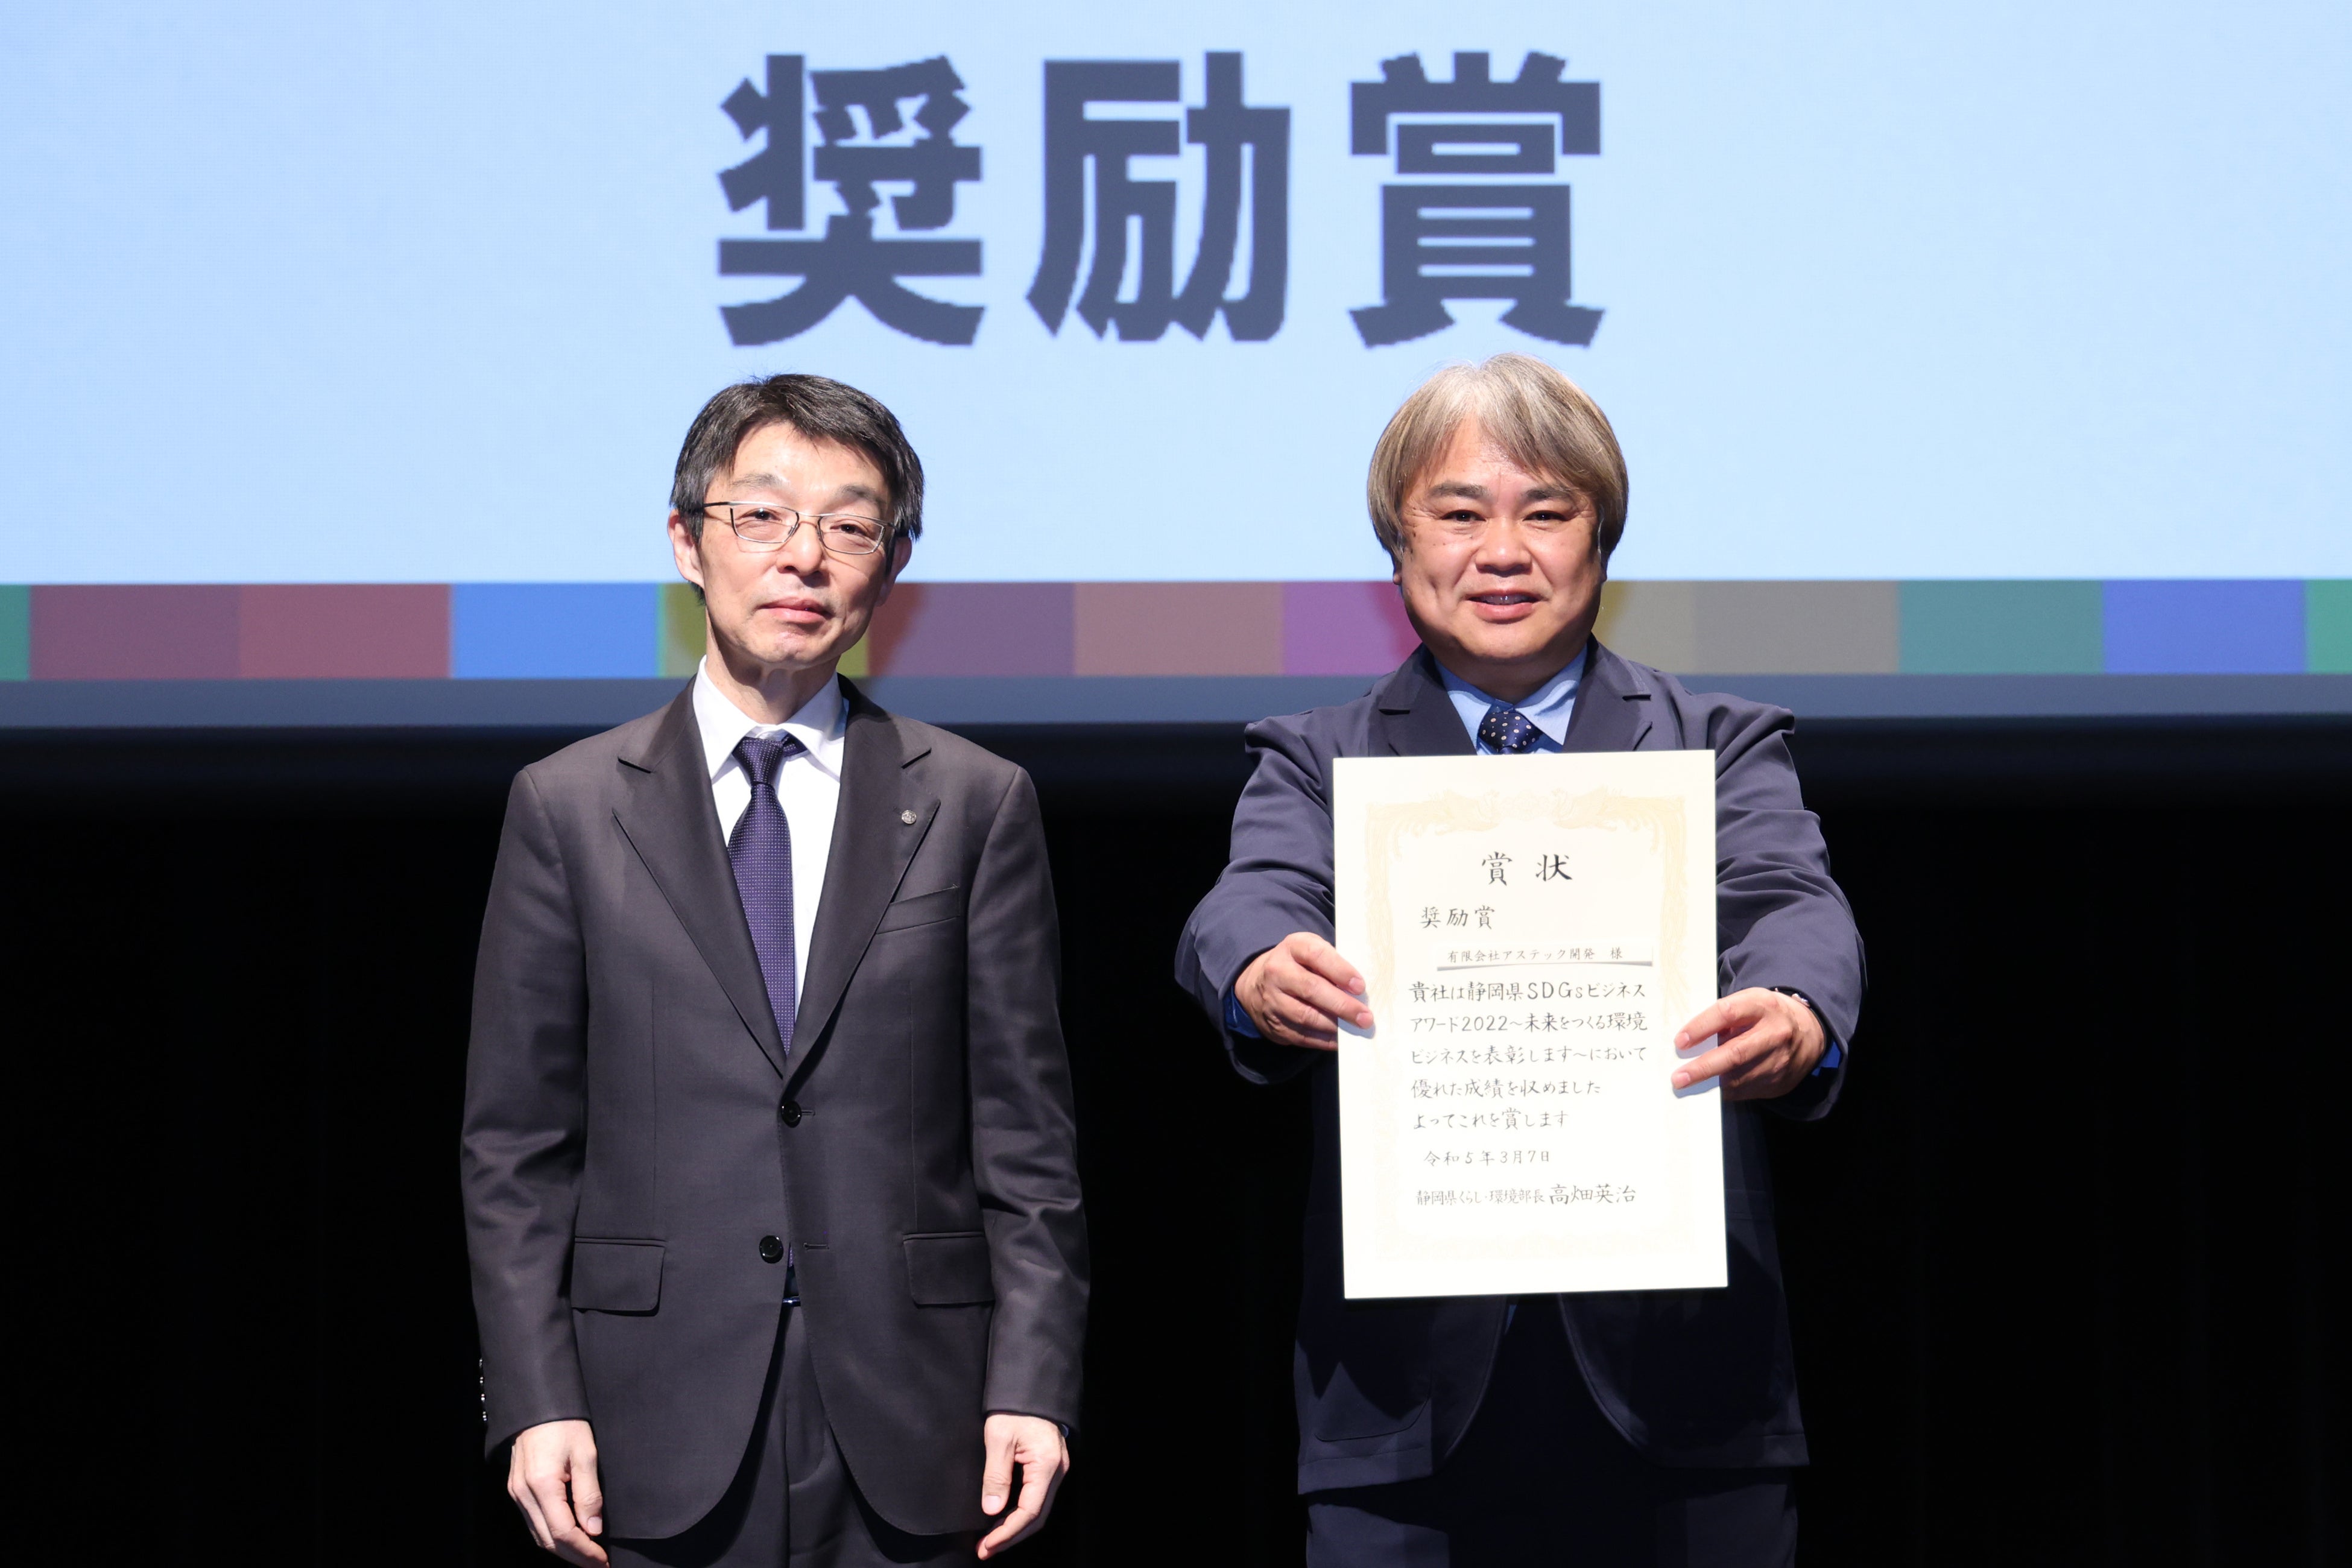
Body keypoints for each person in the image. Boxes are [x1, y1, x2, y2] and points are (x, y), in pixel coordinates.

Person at [1175, 354, 1863, 1566]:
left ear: (1603, 543)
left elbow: (1791, 900)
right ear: (1399, 547)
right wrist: (1261, 965)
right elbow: (1251, 897)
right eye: (1459, 514)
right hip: (1405, 1405)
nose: (1503, 552)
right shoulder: (1318, 756)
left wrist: (1796, 1007)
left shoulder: (1716, 742)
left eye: (1547, 513)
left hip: (1688, 1392)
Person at [463, 375, 1087, 1568]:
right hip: (647, 1416)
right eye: (762, 516)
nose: (804, 556)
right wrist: (536, 1399)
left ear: (892, 568)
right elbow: (516, 1149)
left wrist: (1034, 1380)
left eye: (849, 526)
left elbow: (1027, 1140)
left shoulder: (974, 802)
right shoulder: (568, 807)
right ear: (686, 541)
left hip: (919, 1410)